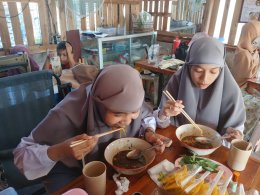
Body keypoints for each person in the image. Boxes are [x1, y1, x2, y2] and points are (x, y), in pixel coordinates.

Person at [13, 65, 170, 193]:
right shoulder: (67, 113)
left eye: (134, 111)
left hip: (113, 168)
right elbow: (20, 156)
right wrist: (62, 151)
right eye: (118, 113)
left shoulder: (131, 99)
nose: (127, 121)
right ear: (98, 104)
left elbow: (145, 116)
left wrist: (149, 133)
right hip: (70, 172)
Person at [155, 37, 246, 143]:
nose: (204, 79)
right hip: (177, 143)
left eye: (213, 72)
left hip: (212, 148)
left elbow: (236, 133)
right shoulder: (177, 81)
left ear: (221, 69)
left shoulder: (231, 91)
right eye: (198, 70)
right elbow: (161, 124)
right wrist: (164, 114)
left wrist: (234, 134)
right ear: (188, 66)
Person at [230, 20, 260, 87]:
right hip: (240, 88)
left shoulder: (255, 51)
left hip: (250, 86)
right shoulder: (243, 54)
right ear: (250, 35)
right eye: (257, 35)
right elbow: (248, 76)